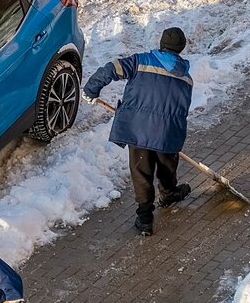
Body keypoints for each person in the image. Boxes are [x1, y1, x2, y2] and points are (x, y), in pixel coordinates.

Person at [83, 27, 193, 236]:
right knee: (167, 167)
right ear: (181, 49)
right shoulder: (186, 79)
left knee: (142, 172)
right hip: (167, 134)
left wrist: (91, 89)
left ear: (161, 44)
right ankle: (169, 193)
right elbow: (181, 111)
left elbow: (111, 68)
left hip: (137, 128)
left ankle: (145, 219)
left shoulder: (140, 61)